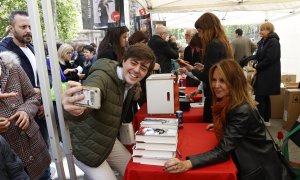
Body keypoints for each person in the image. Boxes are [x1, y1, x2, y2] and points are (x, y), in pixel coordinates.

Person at [164, 60, 290, 180]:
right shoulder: (231, 102)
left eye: (222, 81)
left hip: (259, 172)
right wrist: (226, 127)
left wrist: (188, 163)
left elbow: (223, 151)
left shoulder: (241, 110)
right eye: (214, 80)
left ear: (235, 82)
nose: (216, 85)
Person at [62, 44, 156, 179]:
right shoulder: (102, 77)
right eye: (134, 63)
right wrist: (75, 109)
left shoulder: (128, 82)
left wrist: (135, 88)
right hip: (83, 144)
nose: (136, 70)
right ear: (124, 60)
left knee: (134, 172)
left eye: (143, 68)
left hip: (106, 138)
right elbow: (87, 98)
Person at [0, 10, 51, 179]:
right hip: (11, 143)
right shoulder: (5, 52)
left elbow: (41, 79)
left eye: (30, 26)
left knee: (44, 164)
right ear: (11, 28)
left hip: (34, 118)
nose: (28, 30)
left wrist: (40, 100)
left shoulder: (33, 48)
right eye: (23, 26)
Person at [183, 12, 233, 123]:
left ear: (208, 29)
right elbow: (216, 68)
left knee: (209, 123)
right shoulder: (222, 42)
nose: (200, 36)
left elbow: (207, 76)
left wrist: (193, 70)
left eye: (200, 32)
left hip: (214, 94)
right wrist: (204, 67)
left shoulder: (213, 45)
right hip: (221, 92)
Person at [252, 22, 281, 127]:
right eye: (260, 29)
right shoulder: (263, 41)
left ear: (269, 30)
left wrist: (256, 66)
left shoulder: (273, 42)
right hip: (263, 73)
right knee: (263, 97)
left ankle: (261, 121)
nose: (260, 31)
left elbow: (270, 59)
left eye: (263, 29)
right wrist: (254, 61)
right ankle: (264, 120)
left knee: (261, 97)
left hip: (268, 74)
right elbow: (259, 55)